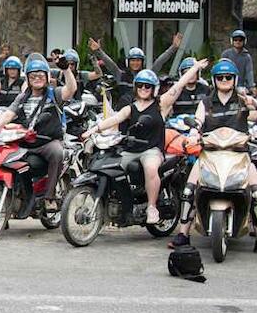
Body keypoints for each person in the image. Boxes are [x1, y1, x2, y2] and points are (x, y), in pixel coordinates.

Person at [84, 60, 205, 225]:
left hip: (152, 150)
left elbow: (179, 85)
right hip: (131, 149)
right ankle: (122, 205)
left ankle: (151, 206)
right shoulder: (131, 107)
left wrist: (195, 69)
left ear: (153, 88)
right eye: (140, 85)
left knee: (150, 167)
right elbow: (114, 119)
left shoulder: (160, 105)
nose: (143, 89)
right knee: (111, 166)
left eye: (147, 86)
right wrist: (93, 130)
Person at [175, 58, 257, 255]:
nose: (224, 80)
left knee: (256, 192)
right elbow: (197, 121)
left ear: (235, 79)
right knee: (189, 190)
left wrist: (252, 102)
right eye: (220, 77)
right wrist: (193, 134)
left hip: (239, 154)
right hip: (209, 153)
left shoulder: (242, 99)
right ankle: (183, 234)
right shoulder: (206, 102)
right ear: (213, 80)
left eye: (228, 77)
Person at [0, 54, 79, 204]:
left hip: (47, 142)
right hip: (25, 141)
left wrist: (66, 70)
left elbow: (71, 89)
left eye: (40, 75)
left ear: (47, 77)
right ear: (27, 78)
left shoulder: (55, 94)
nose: (37, 78)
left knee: (57, 152)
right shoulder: (21, 98)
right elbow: (8, 114)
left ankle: (49, 195)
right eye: (33, 76)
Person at [90, 33, 183, 107]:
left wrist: (173, 47)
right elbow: (110, 64)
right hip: (124, 112)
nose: (135, 63)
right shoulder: (121, 75)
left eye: (138, 60)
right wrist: (98, 51)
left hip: (143, 110)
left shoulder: (147, 75)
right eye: (133, 60)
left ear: (142, 62)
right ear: (128, 62)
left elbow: (159, 62)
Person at [0, 55, 25, 121]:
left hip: (15, 113)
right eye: (10, 69)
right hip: (0, 111)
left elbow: (25, 95)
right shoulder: (1, 81)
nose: (12, 71)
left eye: (14, 69)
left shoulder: (22, 82)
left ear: (19, 70)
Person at [220, 30, 256, 95]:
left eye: (240, 40)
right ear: (232, 41)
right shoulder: (226, 54)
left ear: (244, 41)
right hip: (227, 83)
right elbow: (221, 70)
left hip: (241, 86)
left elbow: (249, 72)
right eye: (235, 40)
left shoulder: (247, 56)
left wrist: (251, 86)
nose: (238, 42)